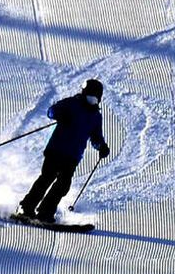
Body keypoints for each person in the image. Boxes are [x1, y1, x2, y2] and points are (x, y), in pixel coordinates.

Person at [17, 78, 109, 222]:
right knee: (46, 178)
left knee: (63, 185)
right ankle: (26, 207)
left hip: (73, 155)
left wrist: (101, 146)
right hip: (56, 149)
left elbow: (96, 136)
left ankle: (45, 212)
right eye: (90, 96)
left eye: (95, 98)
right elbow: (51, 111)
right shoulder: (72, 103)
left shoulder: (96, 116)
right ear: (84, 93)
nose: (92, 100)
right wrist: (60, 115)